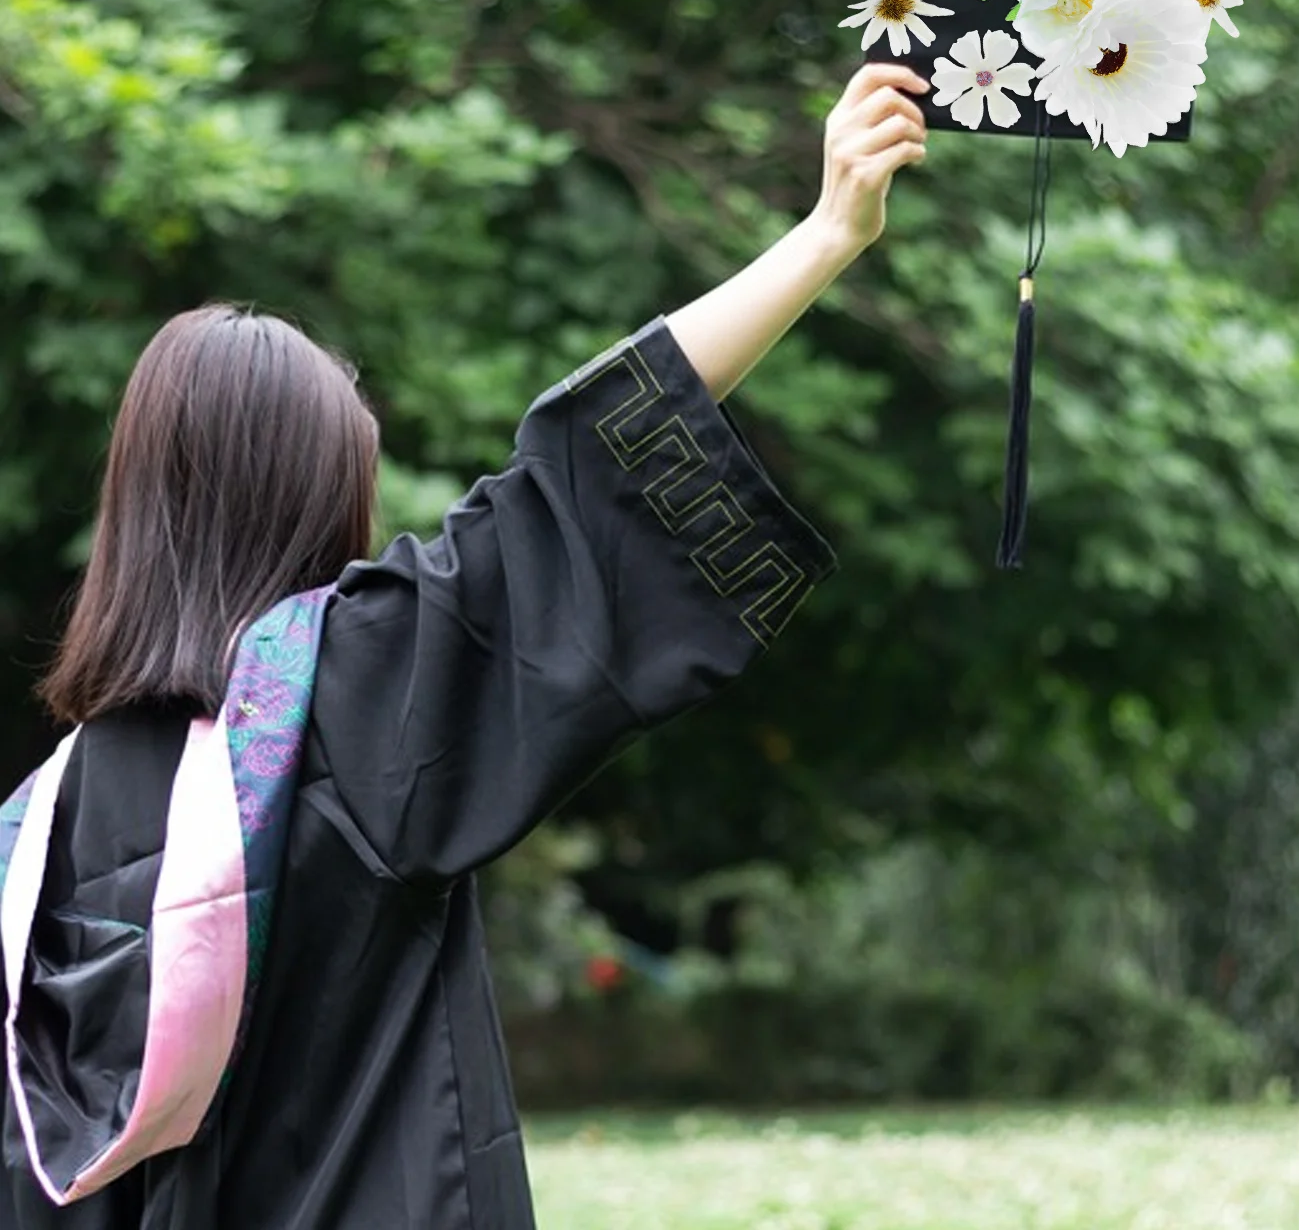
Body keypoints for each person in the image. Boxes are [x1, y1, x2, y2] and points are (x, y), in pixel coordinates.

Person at [0, 63, 929, 1229]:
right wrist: (828, 230)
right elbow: (588, 473)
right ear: (309, 500)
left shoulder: (38, 826)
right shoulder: (348, 695)